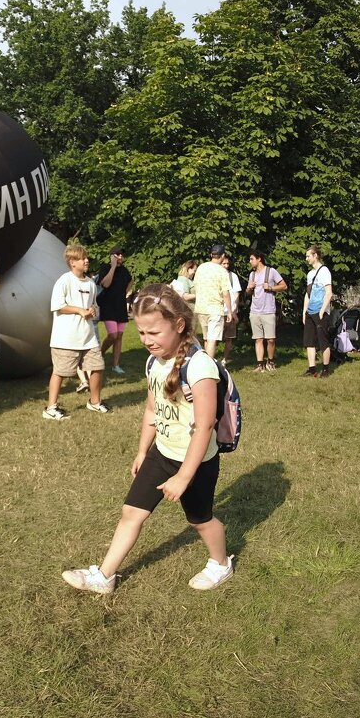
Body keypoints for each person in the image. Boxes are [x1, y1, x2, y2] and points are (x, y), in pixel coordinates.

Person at [61, 283, 232, 594]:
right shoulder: (154, 362)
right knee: (131, 513)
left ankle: (220, 563)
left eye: (154, 333)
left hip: (195, 461)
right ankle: (104, 576)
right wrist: (142, 451)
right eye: (141, 333)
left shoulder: (200, 366)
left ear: (179, 325)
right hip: (162, 453)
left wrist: (183, 476)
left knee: (200, 520)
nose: (146, 340)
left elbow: (205, 426)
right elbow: (152, 409)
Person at [43, 244, 108, 420]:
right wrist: (79, 310)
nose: (86, 260)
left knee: (97, 367)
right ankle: (51, 408)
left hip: (88, 338)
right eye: (82, 258)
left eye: (86, 257)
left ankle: (94, 402)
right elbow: (57, 306)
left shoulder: (90, 283)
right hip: (65, 338)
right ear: (72, 262)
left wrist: (93, 310)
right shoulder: (64, 281)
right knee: (60, 372)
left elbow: (93, 304)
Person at [245, 250, 287, 372]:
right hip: (255, 311)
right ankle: (259, 364)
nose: (250, 261)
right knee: (258, 339)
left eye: (252, 259)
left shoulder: (271, 271)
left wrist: (271, 287)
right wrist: (249, 288)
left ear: (259, 259)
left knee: (271, 339)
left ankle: (270, 361)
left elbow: (284, 286)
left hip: (268, 310)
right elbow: (248, 292)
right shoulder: (252, 275)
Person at [192, 244, 232, 360]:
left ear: (211, 255)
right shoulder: (222, 271)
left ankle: (205, 362)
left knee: (206, 338)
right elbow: (225, 293)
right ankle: (208, 367)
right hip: (214, 309)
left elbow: (196, 286)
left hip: (201, 308)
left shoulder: (201, 268)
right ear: (223, 256)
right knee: (212, 339)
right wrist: (229, 311)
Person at [97, 246, 132, 374]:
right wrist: (112, 267)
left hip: (120, 306)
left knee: (119, 336)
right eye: (118, 254)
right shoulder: (105, 267)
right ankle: (100, 354)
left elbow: (131, 280)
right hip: (108, 306)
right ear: (112, 256)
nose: (121, 256)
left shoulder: (124, 270)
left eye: (122, 254)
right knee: (113, 335)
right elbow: (105, 284)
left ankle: (116, 365)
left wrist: (125, 292)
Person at [302, 245, 333, 377]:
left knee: (323, 341)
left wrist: (322, 311)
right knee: (309, 341)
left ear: (315, 256)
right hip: (310, 311)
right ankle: (312, 368)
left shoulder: (324, 271)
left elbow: (329, 293)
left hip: (321, 311)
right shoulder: (310, 274)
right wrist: (304, 311)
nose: (306, 258)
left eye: (308, 255)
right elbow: (307, 294)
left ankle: (325, 369)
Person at [220, 255, 241, 367]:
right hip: (218, 311)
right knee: (214, 337)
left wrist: (234, 311)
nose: (226, 266)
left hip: (230, 311)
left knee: (229, 338)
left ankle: (224, 360)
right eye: (224, 264)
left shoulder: (233, 276)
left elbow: (237, 294)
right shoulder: (215, 276)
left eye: (227, 264)